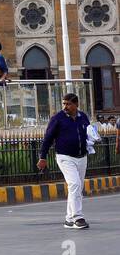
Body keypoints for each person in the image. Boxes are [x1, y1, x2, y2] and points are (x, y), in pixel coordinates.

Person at [38, 93, 91, 229]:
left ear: (76, 105)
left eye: (68, 104)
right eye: (64, 104)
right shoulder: (58, 118)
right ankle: (78, 217)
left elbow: (89, 133)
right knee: (74, 184)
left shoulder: (83, 117)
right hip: (65, 157)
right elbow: (48, 138)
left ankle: (69, 219)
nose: (65, 106)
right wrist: (42, 157)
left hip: (82, 157)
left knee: (77, 188)